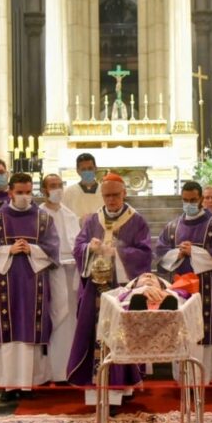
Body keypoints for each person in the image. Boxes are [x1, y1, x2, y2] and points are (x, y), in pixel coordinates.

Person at [67, 172, 152, 406]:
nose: (111, 200)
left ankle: (121, 389)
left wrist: (118, 253)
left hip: (122, 291)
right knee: (96, 335)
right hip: (96, 289)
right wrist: (89, 248)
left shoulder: (137, 221)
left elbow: (145, 254)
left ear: (125, 193)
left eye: (116, 195)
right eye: (107, 196)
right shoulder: (93, 220)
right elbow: (78, 247)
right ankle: (96, 388)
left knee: (121, 336)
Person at [0, 172, 60, 400]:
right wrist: (8, 250)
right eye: (20, 192)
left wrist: (31, 249)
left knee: (29, 329)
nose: (25, 197)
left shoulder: (44, 219)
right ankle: (7, 385)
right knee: (6, 329)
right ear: (10, 193)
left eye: (28, 192)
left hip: (34, 284)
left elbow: (53, 249)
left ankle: (30, 383)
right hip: (4, 283)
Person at [155, 181, 212, 380]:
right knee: (181, 331)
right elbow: (161, 252)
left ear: (200, 200)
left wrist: (194, 252)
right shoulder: (173, 226)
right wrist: (178, 253)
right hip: (180, 289)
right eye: (185, 200)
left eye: (193, 200)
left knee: (203, 332)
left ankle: (202, 379)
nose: (189, 203)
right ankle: (181, 379)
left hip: (207, 290)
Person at [39, 174, 81, 383]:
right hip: (50, 272)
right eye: (52, 186)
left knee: (71, 318)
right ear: (44, 190)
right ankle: (52, 371)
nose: (57, 190)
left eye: (59, 185)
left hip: (71, 272)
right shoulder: (38, 215)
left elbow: (77, 243)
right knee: (56, 316)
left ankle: (69, 369)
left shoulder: (70, 214)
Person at [62, 152, 102, 220]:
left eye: (90, 168)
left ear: (95, 168)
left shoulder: (104, 191)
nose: (87, 172)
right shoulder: (68, 192)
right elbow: (64, 218)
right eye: (83, 169)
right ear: (78, 171)